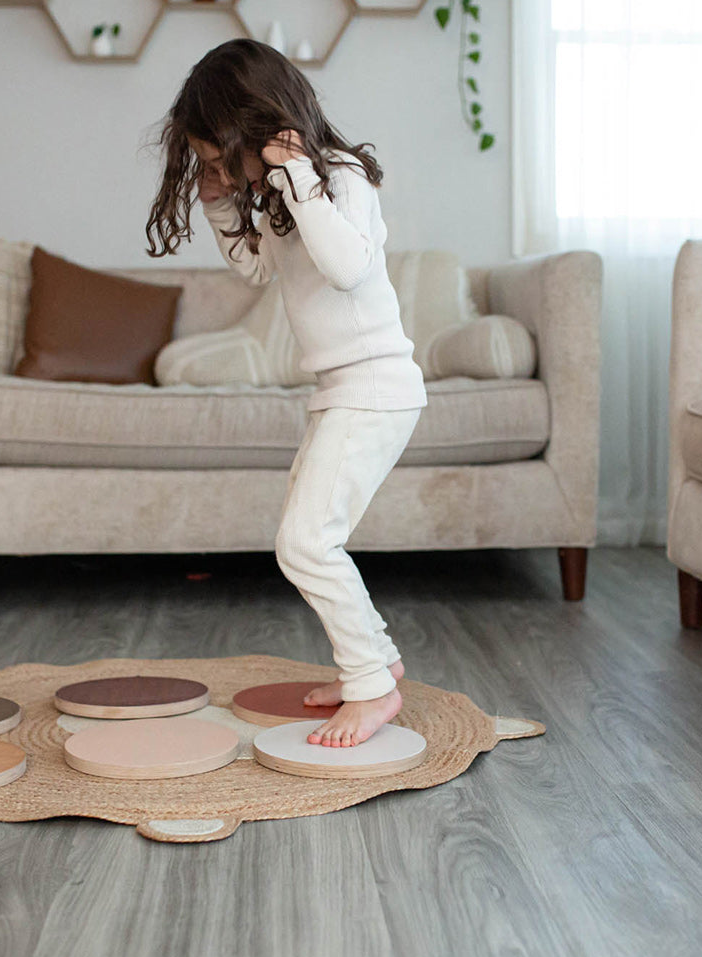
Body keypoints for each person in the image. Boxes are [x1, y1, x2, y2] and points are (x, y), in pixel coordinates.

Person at [145, 38, 426, 748]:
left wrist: (300, 176)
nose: (219, 173)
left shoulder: (340, 177)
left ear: (263, 126)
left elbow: (347, 267)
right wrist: (220, 209)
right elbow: (259, 271)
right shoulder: (280, 199)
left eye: (222, 160)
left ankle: (371, 686)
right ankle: (377, 660)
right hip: (339, 391)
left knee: (305, 544)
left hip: (376, 388)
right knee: (309, 539)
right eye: (208, 166)